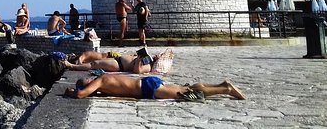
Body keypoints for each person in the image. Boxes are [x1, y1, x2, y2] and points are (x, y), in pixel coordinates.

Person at [64, 74, 246, 101]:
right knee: (185, 88)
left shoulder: (101, 80)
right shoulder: (103, 84)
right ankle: (221, 84)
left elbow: (82, 95)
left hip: (147, 88)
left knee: (184, 94)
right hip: (147, 82)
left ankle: (226, 90)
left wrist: (72, 92)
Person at [63, 50, 152, 74]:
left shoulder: (148, 65)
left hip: (119, 65)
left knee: (94, 64)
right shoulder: (146, 59)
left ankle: (72, 66)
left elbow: (137, 71)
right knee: (95, 62)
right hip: (118, 60)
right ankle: (76, 64)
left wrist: (139, 60)